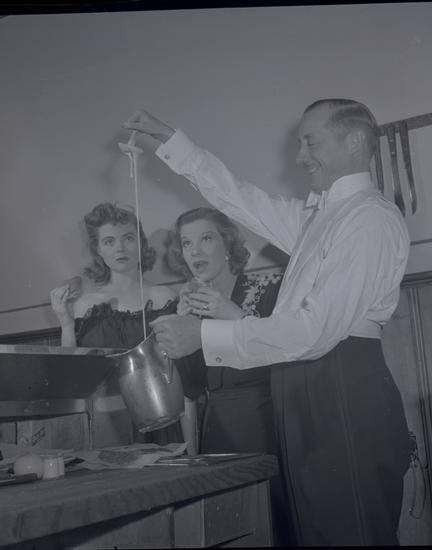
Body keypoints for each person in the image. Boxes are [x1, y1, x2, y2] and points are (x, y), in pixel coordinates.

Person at [123, 99, 412, 546]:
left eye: (311, 142)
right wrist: (173, 142)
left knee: (350, 533)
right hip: (304, 387)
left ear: (355, 142)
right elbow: (239, 197)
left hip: (340, 386)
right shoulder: (320, 218)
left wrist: (203, 334)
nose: (299, 157)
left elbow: (314, 331)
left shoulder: (367, 218)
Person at [50, 202, 196, 451]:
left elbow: (181, 379)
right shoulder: (83, 304)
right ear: (98, 249)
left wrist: (191, 449)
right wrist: (66, 324)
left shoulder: (164, 297)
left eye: (128, 238)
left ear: (141, 243)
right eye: (109, 241)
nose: (120, 248)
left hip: (160, 424)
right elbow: (72, 380)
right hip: (104, 427)